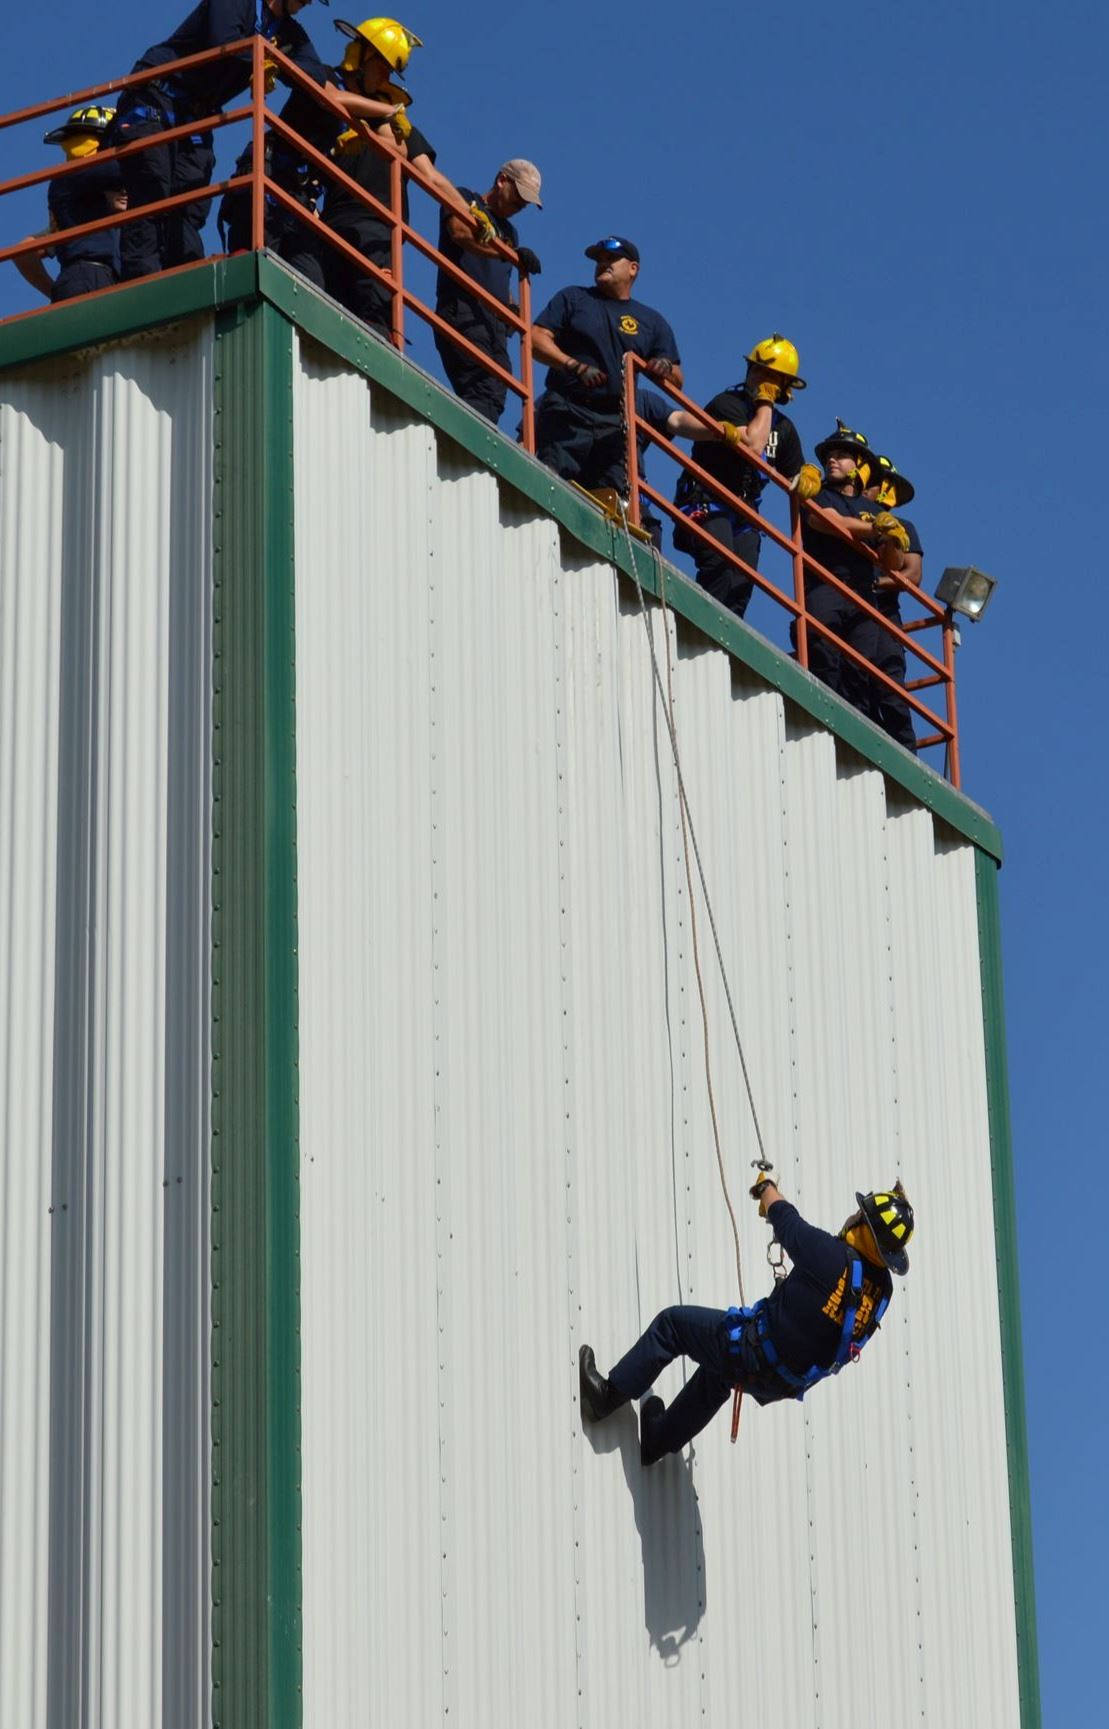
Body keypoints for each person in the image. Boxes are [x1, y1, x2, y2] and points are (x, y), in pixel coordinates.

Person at [579, 1177, 914, 1465]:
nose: (852, 1214)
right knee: (719, 1373)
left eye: (859, 1214)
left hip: (754, 1351)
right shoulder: (882, 1291)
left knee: (673, 1326)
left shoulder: (826, 1255)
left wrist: (766, 1188)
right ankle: (659, 1440)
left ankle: (608, 1396)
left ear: (864, 1229)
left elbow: (785, 1219)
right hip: (783, 1381)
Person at [110, 0, 330, 281]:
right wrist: (267, 59)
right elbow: (224, 41)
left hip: (196, 114)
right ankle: (141, 283)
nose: (309, 1)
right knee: (153, 189)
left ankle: (183, 282)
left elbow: (314, 76)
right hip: (158, 95)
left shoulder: (288, 31)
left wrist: (275, 62)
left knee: (191, 204)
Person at [317, 16, 479, 339]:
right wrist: (382, 116)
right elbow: (329, 97)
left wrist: (472, 214)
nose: (386, 77)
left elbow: (432, 178)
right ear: (361, 57)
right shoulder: (331, 84)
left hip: (380, 228)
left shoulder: (400, 123)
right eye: (383, 66)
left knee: (374, 310)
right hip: (331, 222)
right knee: (325, 310)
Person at [671, 335, 810, 620]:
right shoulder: (728, 403)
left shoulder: (784, 429)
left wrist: (811, 476)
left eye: (773, 376)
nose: (763, 379)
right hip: (707, 496)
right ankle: (698, 627)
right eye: (759, 371)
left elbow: (797, 473)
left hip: (745, 513)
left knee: (742, 584)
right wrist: (765, 401)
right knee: (720, 564)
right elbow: (755, 443)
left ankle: (724, 647)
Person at [530, 236, 682, 494]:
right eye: (599, 260)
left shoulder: (651, 321)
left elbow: (677, 379)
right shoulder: (574, 298)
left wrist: (663, 368)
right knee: (549, 486)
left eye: (611, 259)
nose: (603, 264)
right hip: (568, 411)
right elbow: (535, 338)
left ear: (633, 268)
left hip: (615, 424)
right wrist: (572, 365)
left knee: (614, 503)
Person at [798, 421, 913, 735]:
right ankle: (817, 720)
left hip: (864, 597)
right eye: (830, 455)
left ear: (859, 467)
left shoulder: (871, 509)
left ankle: (853, 735)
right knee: (822, 651)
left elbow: (893, 565)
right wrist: (878, 529)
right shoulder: (820, 495)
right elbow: (828, 522)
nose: (832, 460)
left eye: (842, 455)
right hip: (826, 584)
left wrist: (893, 539)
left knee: (860, 671)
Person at [433, 160, 543, 425]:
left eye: (527, 201)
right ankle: (466, 446)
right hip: (463, 308)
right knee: (481, 383)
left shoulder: (509, 232)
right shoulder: (466, 198)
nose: (522, 205)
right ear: (502, 180)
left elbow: (497, 279)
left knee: (497, 389)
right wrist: (507, 254)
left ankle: (472, 439)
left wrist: (512, 309)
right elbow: (460, 233)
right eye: (520, 195)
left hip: (492, 322)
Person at [13, 106, 126, 304]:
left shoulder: (80, 213)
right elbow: (132, 166)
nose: (124, 192)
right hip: (88, 278)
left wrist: (57, 292)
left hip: (95, 281)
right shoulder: (74, 180)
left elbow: (24, 252)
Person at [859, 453, 924, 749]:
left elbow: (912, 575)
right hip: (852, 608)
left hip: (883, 615)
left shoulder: (903, 526)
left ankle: (907, 757)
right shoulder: (852, 515)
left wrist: (873, 583)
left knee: (890, 688)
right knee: (854, 680)